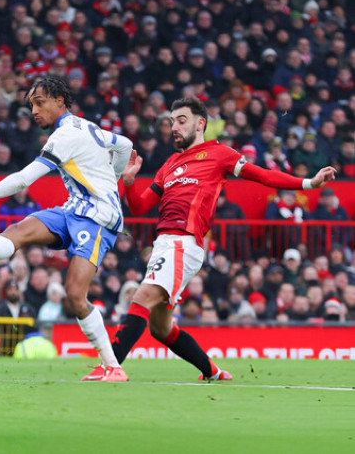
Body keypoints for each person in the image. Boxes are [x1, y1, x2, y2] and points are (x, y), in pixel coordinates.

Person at [0, 76, 132, 382]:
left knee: (75, 295)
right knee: (20, 230)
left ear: (60, 101)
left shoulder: (63, 138)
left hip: (98, 218)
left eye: (39, 102)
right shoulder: (88, 126)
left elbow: (23, 180)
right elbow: (125, 145)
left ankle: (113, 366)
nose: (33, 111)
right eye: (31, 104)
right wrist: (115, 178)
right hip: (74, 209)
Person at [115, 96, 336, 381]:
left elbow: (262, 176)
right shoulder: (169, 164)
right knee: (160, 327)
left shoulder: (219, 153)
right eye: (172, 122)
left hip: (183, 242)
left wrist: (308, 183)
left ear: (201, 124)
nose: (174, 127)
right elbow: (140, 207)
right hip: (164, 244)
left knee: (141, 296)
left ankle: (111, 364)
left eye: (181, 121)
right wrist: (130, 182)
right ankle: (213, 371)